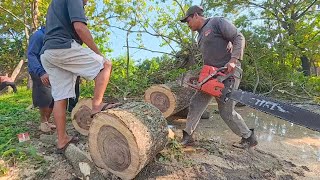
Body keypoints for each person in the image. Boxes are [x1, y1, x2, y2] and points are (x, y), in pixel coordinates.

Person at [40, 0, 117, 153]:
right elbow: (80, 27)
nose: (87, 3)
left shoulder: (55, 4)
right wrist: (98, 54)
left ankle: (62, 140)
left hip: (48, 53)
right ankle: (97, 105)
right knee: (105, 65)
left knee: (60, 97)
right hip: (63, 46)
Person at [179, 5, 258, 149]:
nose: (188, 24)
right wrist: (199, 77)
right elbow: (210, 59)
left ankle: (248, 137)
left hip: (228, 74)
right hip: (212, 75)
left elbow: (238, 37)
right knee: (196, 103)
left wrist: (234, 60)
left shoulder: (216, 22)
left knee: (226, 111)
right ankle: (188, 136)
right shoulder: (200, 36)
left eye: (188, 20)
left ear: (196, 15)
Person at [28, 26, 81, 133]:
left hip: (52, 70)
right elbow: (31, 54)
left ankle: (49, 121)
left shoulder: (59, 37)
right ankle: (44, 122)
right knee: (45, 95)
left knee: (55, 96)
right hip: (39, 70)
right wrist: (41, 72)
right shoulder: (39, 35)